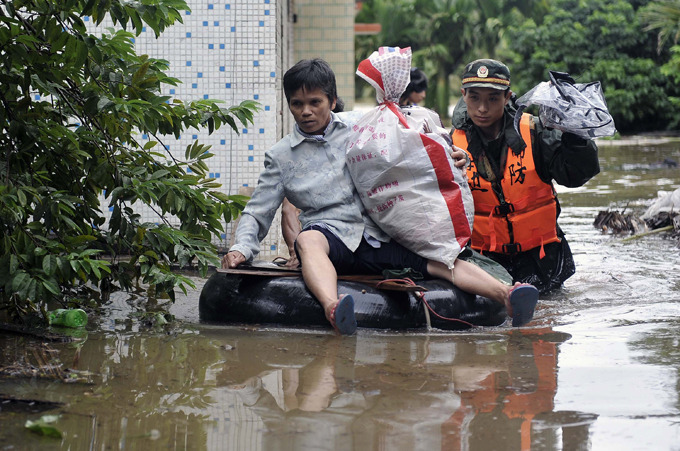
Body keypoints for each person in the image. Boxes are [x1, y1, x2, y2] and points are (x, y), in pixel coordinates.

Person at [223, 58, 539, 335]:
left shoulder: (361, 127)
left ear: (332, 100)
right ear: (289, 104)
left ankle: (508, 296)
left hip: (378, 233)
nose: (305, 112)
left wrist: (452, 154)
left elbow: (417, 141)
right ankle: (334, 308)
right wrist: (241, 248)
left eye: (314, 102)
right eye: (297, 104)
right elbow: (258, 211)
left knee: (443, 261)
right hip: (331, 237)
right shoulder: (280, 157)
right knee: (307, 240)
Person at [450, 59, 600, 294]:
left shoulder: (535, 131)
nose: (482, 108)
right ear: (463, 95)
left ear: (507, 97)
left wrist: (574, 134)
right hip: (485, 261)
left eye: (492, 98)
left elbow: (575, 175)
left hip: (541, 259)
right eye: (474, 97)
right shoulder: (449, 141)